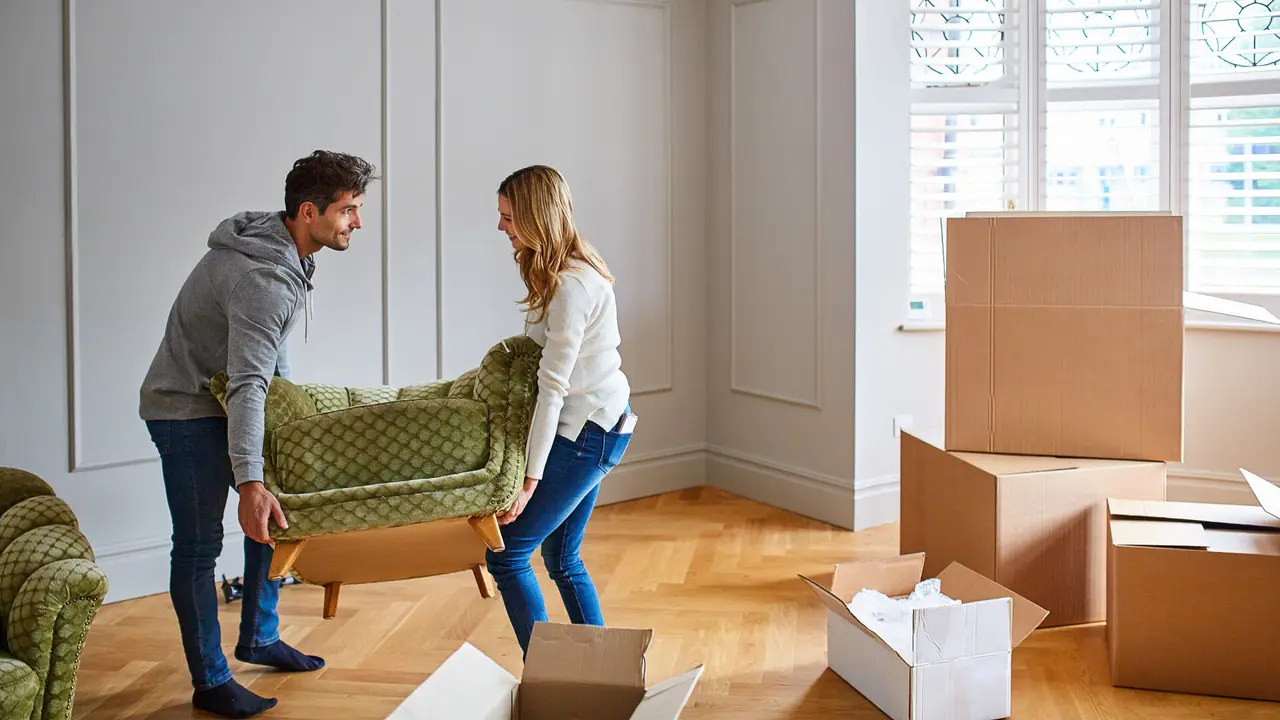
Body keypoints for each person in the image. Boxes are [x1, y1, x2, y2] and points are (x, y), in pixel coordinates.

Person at [138, 150, 378, 718]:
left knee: (272, 519)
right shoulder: (262, 276)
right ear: (308, 210)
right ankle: (211, 680)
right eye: (349, 211)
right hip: (186, 412)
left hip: (229, 403)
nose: (357, 223)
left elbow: (269, 357)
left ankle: (260, 637)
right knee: (198, 549)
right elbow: (248, 381)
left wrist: (286, 420)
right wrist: (249, 480)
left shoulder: (284, 249)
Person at [484, 165, 637, 657]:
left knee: (507, 554)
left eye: (508, 216)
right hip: (599, 423)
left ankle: (552, 677)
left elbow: (553, 388)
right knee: (562, 556)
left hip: (589, 434)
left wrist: (528, 481)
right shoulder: (556, 272)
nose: (501, 227)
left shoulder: (572, 286)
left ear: (534, 216)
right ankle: (598, 674)